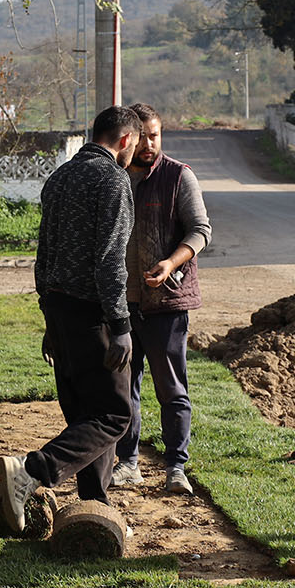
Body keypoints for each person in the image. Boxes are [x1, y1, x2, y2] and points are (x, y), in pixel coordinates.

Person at [0, 105, 142, 532]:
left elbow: (44, 255)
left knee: (85, 414)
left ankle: (95, 505)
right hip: (93, 314)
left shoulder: (59, 178)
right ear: (125, 140)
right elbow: (110, 261)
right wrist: (120, 326)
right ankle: (32, 470)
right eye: (135, 144)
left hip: (59, 309)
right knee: (114, 415)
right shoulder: (112, 180)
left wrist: (48, 317)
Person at [111, 104, 212, 497]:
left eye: (156, 136)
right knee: (124, 388)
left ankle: (176, 467)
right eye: (144, 137)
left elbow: (201, 230)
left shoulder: (178, 176)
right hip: (122, 304)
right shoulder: (115, 177)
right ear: (130, 138)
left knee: (171, 389)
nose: (150, 144)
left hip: (167, 302)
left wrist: (171, 262)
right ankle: (128, 463)